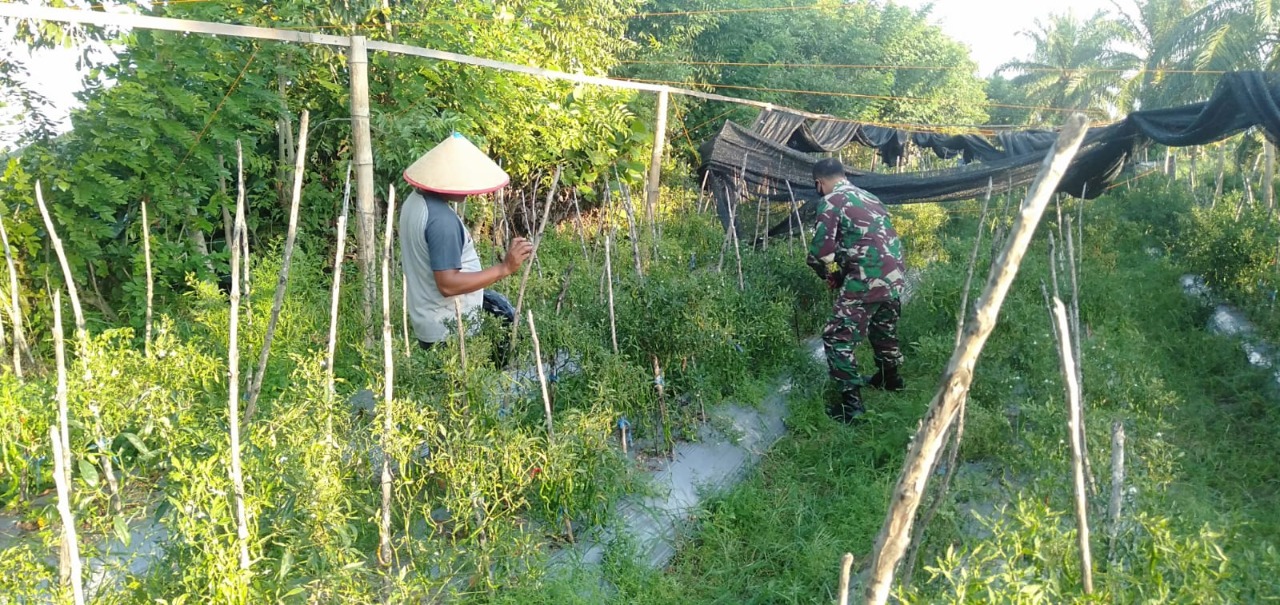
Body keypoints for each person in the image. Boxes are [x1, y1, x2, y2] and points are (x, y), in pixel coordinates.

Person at [399, 132, 533, 352]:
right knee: (457, 385)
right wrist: (505, 268)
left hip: (430, 321)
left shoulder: (415, 202)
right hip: (449, 330)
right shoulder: (441, 221)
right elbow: (447, 284)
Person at [806, 158, 907, 423]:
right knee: (883, 327)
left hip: (866, 277)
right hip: (894, 275)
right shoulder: (870, 197)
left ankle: (852, 407)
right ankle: (890, 378)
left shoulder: (831, 201)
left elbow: (819, 254)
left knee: (836, 337)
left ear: (819, 183)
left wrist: (831, 276)